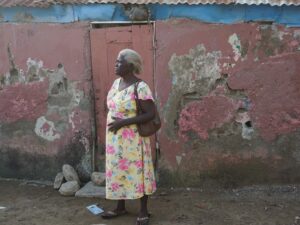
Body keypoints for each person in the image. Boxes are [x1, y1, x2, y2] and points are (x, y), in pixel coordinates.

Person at [101, 49, 157, 225]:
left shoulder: (141, 87)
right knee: (118, 171)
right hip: (115, 141)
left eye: (119, 62)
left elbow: (150, 113)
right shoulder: (116, 83)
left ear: (130, 66)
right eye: (116, 61)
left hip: (134, 140)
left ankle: (143, 210)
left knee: (138, 171)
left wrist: (123, 123)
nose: (115, 65)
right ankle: (120, 207)